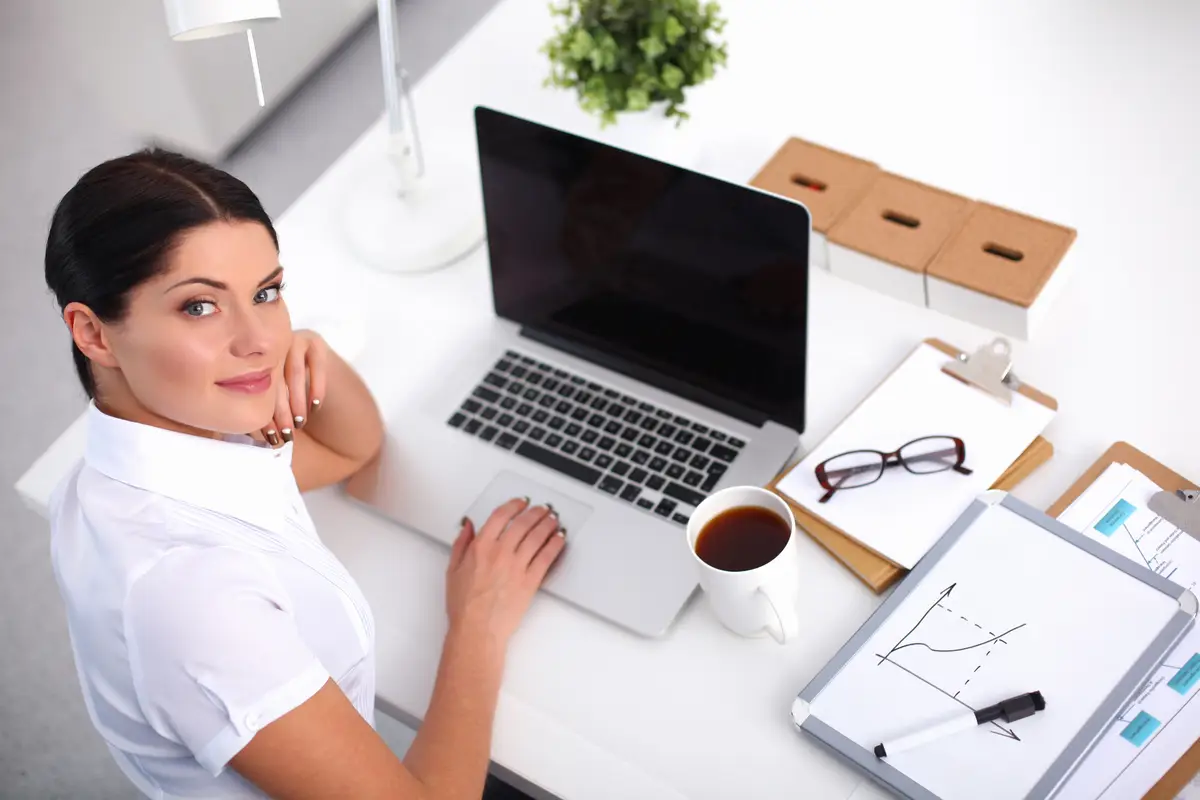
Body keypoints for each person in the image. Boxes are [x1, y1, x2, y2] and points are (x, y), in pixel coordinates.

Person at [44, 148, 565, 799]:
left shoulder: (141, 453)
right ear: (93, 333)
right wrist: (478, 622)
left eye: (266, 293)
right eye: (200, 308)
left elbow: (353, 448)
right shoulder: (191, 600)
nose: (258, 338)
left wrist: (312, 352)